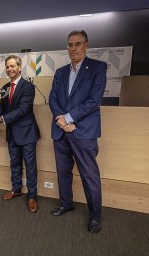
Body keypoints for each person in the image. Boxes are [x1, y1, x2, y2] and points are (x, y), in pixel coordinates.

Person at [48, 30, 107, 233]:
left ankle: (95, 215)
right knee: (63, 172)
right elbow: (53, 99)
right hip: (61, 131)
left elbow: (94, 100)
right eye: (70, 45)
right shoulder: (61, 72)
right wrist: (62, 121)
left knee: (89, 175)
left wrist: (69, 118)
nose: (73, 48)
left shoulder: (98, 68)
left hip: (84, 132)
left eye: (78, 44)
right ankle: (66, 203)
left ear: (86, 45)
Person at [0, 55, 40, 213]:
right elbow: (2, 107)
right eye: (7, 66)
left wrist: (2, 118)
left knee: (30, 166)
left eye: (12, 66)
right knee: (14, 163)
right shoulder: (5, 87)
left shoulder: (28, 87)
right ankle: (16, 189)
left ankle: (32, 196)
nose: (9, 69)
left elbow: (23, 109)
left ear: (19, 68)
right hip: (12, 133)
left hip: (27, 133)